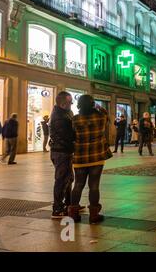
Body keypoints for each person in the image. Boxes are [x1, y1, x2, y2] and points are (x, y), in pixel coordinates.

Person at [68, 95, 110, 224]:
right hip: (97, 157)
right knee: (94, 185)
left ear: (79, 105)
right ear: (92, 105)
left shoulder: (75, 119)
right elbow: (106, 113)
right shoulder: (100, 117)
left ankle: (73, 214)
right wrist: (97, 106)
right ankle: (93, 215)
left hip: (80, 157)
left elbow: (72, 135)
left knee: (78, 185)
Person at [49, 91, 76, 219]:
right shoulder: (60, 117)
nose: (71, 104)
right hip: (61, 152)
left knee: (68, 178)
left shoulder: (65, 113)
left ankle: (69, 204)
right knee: (61, 180)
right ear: (63, 103)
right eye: (70, 102)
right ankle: (57, 208)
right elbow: (67, 135)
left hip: (64, 150)